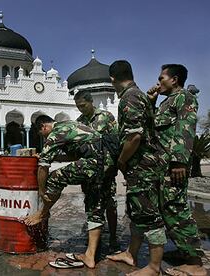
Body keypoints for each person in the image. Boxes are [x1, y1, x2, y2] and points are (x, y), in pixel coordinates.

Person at [23, 115, 117, 268]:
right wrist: (55, 156)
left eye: (42, 135)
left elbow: (43, 166)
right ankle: (90, 256)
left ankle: (42, 213)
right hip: (108, 165)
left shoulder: (56, 132)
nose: (44, 137)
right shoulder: (72, 124)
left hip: (94, 163)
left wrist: (41, 191)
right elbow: (74, 155)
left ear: (44, 127)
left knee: (55, 177)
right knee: (95, 205)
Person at [107, 60, 167, 276]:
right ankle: (131, 253)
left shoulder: (129, 97)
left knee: (149, 216)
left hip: (143, 167)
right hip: (140, 167)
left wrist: (122, 160)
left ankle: (154, 267)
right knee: (137, 213)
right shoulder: (138, 94)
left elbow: (134, 136)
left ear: (112, 79)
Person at [148, 64, 206, 276]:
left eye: (161, 77)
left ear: (174, 79)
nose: (158, 82)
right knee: (167, 208)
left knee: (176, 208)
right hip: (162, 166)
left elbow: (186, 127)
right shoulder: (166, 102)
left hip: (173, 166)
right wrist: (152, 103)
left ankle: (194, 262)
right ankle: (185, 251)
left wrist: (179, 161)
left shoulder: (185, 97)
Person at [74, 90, 119, 252]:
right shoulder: (79, 122)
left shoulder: (106, 117)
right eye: (78, 107)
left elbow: (116, 142)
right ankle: (94, 238)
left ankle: (113, 237)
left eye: (83, 106)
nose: (81, 109)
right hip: (88, 172)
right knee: (91, 203)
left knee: (110, 204)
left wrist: (116, 165)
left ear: (91, 101)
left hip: (106, 170)